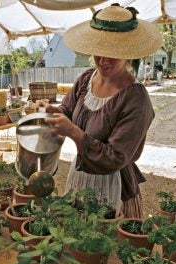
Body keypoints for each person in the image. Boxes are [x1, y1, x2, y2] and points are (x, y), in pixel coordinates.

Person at [37, 4, 162, 218]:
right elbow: (68, 111)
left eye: (112, 54)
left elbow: (115, 157)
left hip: (112, 184)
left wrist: (74, 133)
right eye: (99, 52)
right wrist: (52, 111)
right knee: (78, 237)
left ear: (128, 53)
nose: (103, 61)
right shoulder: (87, 79)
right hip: (81, 175)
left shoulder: (135, 98)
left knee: (101, 243)